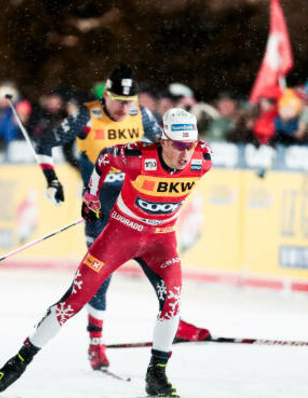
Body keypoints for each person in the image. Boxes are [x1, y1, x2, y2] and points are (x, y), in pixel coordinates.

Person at [0, 108, 212, 397]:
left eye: (190, 145)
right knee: (73, 301)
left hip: (160, 241)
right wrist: (90, 197)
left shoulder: (203, 159)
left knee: (172, 303)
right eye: (179, 145)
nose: (185, 153)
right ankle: (17, 363)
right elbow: (103, 158)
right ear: (163, 140)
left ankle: (157, 375)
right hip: (120, 235)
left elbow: (189, 159)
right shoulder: (138, 157)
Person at [36, 64, 211, 372]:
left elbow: (163, 147)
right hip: (101, 204)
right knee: (99, 276)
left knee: (156, 263)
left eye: (129, 102)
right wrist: (52, 180)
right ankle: (96, 344)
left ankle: (172, 319)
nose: (123, 108)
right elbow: (45, 143)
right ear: (106, 93)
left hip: (137, 200)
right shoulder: (85, 115)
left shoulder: (141, 114)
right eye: (117, 100)